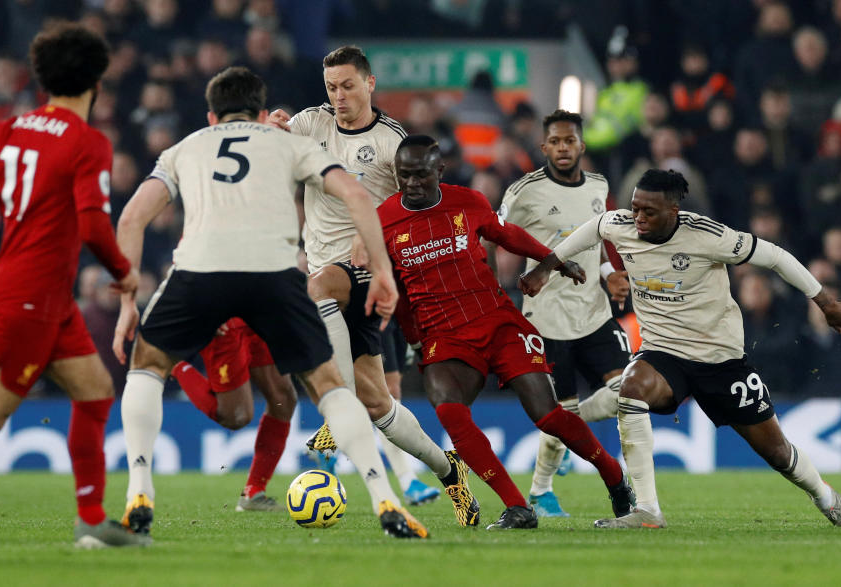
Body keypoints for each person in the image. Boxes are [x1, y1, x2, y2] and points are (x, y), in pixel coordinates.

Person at [113, 66, 427, 539]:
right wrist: (382, 272)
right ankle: (386, 501)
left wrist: (126, 304)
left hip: (199, 270)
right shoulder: (289, 144)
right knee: (329, 386)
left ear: (211, 116)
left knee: (146, 364)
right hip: (273, 274)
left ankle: (139, 491)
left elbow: (132, 218)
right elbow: (357, 195)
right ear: (263, 113)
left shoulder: (185, 148)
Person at [521, 168, 841, 529]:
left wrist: (825, 303)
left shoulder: (708, 236)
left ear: (673, 212)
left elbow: (776, 257)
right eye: (635, 208)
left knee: (777, 452)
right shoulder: (619, 225)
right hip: (662, 352)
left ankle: (825, 497)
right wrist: (546, 267)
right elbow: (591, 229)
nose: (638, 217)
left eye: (648, 212)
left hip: (720, 360)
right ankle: (648, 511)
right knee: (631, 389)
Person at [0, 24, 149, 548]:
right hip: (30, 297)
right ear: (95, 82)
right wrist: (125, 275)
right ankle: (92, 519)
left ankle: (91, 521)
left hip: (47, 297)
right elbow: (95, 226)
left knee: (96, 395)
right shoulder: (88, 141)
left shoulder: (10, 129)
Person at [376, 135, 635, 530]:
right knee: (449, 411)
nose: (411, 183)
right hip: (442, 335)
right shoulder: (383, 220)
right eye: (404, 175)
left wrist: (551, 261)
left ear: (439, 171)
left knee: (547, 415)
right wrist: (413, 339)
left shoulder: (469, 202)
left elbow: (507, 235)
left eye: (420, 175)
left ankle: (614, 477)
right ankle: (517, 507)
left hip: (497, 321)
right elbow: (394, 289)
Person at [268, 45, 475, 519]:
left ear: (370, 84)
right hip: (327, 267)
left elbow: (417, 204)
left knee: (315, 288)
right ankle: (450, 472)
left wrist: (377, 233)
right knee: (380, 404)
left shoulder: (391, 141)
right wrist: (272, 130)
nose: (338, 96)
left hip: (370, 271)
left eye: (347, 86)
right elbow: (275, 149)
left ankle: (336, 412)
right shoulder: (310, 124)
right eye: (331, 88)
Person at [498, 110, 632, 517]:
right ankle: (541, 490)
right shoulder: (524, 192)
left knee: (629, 392)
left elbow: (599, 236)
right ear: (544, 147)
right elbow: (496, 233)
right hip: (547, 318)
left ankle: (588, 455)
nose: (561, 148)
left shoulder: (598, 185)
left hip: (594, 312)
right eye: (554, 142)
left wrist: (609, 272)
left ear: (581, 145)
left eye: (568, 141)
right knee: (562, 414)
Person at [170, 318, 297, 511]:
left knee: (284, 399)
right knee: (236, 417)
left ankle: (253, 492)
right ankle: (172, 362)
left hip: (261, 314)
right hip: (226, 320)